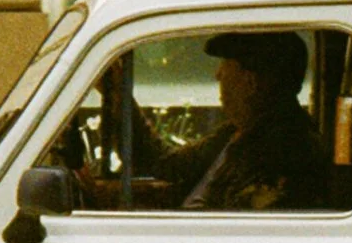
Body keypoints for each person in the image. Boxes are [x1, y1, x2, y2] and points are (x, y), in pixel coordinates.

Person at [92, 30, 332, 212]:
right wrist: (118, 95)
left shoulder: (287, 152)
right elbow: (163, 164)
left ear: (250, 82)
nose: (217, 75)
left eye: (226, 67)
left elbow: (228, 226)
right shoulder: (236, 134)